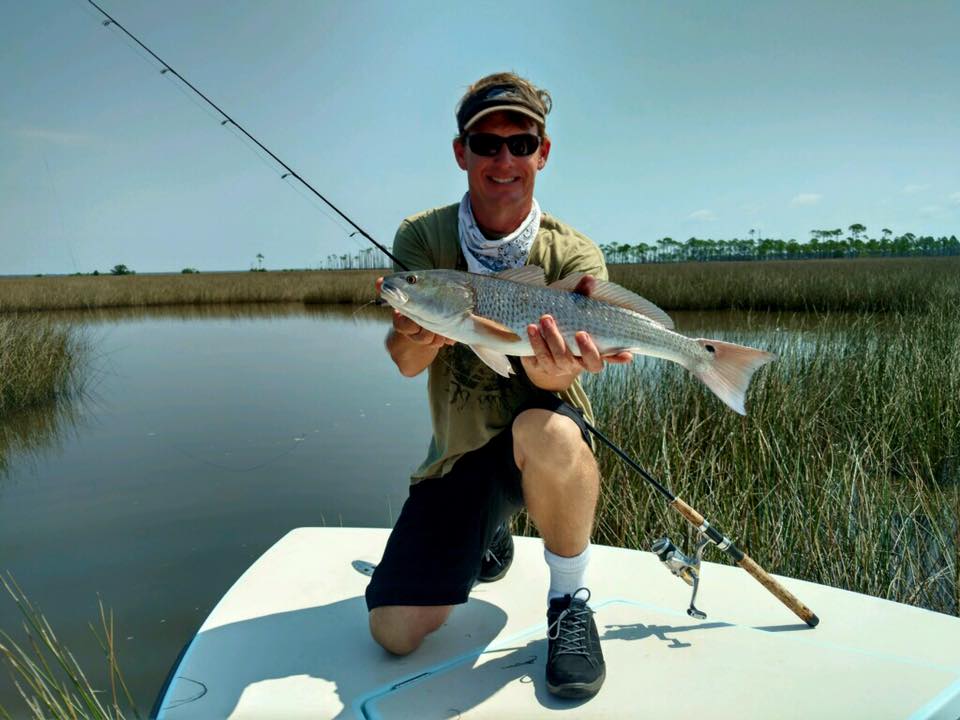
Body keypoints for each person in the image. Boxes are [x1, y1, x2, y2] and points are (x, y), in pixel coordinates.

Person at [367, 72, 631, 699]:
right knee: (392, 633)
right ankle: (492, 533)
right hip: (461, 452)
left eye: (521, 142)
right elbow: (405, 361)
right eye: (486, 144)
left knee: (543, 428)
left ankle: (569, 604)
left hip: (545, 439)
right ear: (462, 153)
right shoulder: (423, 240)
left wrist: (555, 364)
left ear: (542, 152)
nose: (503, 159)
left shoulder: (573, 254)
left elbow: (546, 377)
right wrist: (420, 329)